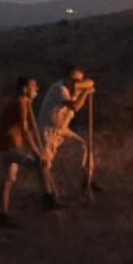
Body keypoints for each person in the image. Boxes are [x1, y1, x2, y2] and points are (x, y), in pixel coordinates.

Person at [37, 65, 96, 208]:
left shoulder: (74, 88)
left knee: (83, 146)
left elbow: (91, 83)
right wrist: (85, 93)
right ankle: (49, 197)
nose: (77, 83)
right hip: (48, 130)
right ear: (67, 79)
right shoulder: (59, 89)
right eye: (74, 80)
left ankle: (86, 183)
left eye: (79, 80)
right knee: (45, 163)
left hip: (62, 129)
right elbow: (74, 106)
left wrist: (85, 86)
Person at [0, 77, 49, 228]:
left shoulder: (21, 103)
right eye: (33, 86)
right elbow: (26, 132)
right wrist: (37, 152)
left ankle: (2, 215)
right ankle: (48, 199)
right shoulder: (20, 103)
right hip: (12, 147)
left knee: (7, 181)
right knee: (41, 164)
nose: (37, 89)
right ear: (25, 89)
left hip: (4, 146)